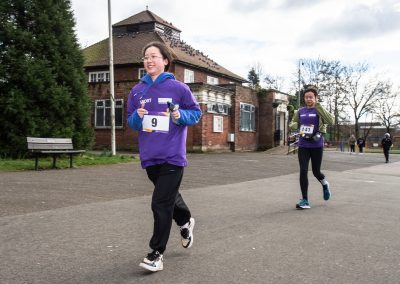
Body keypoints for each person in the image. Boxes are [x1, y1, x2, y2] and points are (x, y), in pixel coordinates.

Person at [127, 41, 202, 272]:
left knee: (160, 202)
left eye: (154, 56)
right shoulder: (137, 91)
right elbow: (130, 121)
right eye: (146, 57)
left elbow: (196, 114)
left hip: (172, 155)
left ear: (165, 60)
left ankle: (156, 253)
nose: (149, 60)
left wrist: (179, 114)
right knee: (168, 197)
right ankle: (185, 220)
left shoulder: (179, 88)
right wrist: (137, 117)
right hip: (150, 156)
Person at [289, 85, 334, 209]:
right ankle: (305, 200)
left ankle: (325, 184)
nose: (308, 99)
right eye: (306, 97)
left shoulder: (319, 110)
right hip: (303, 144)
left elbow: (331, 121)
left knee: (316, 171)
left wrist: (319, 106)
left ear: (315, 98)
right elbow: (294, 122)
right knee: (303, 171)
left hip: (316, 145)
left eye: (311, 97)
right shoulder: (300, 111)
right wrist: (293, 125)